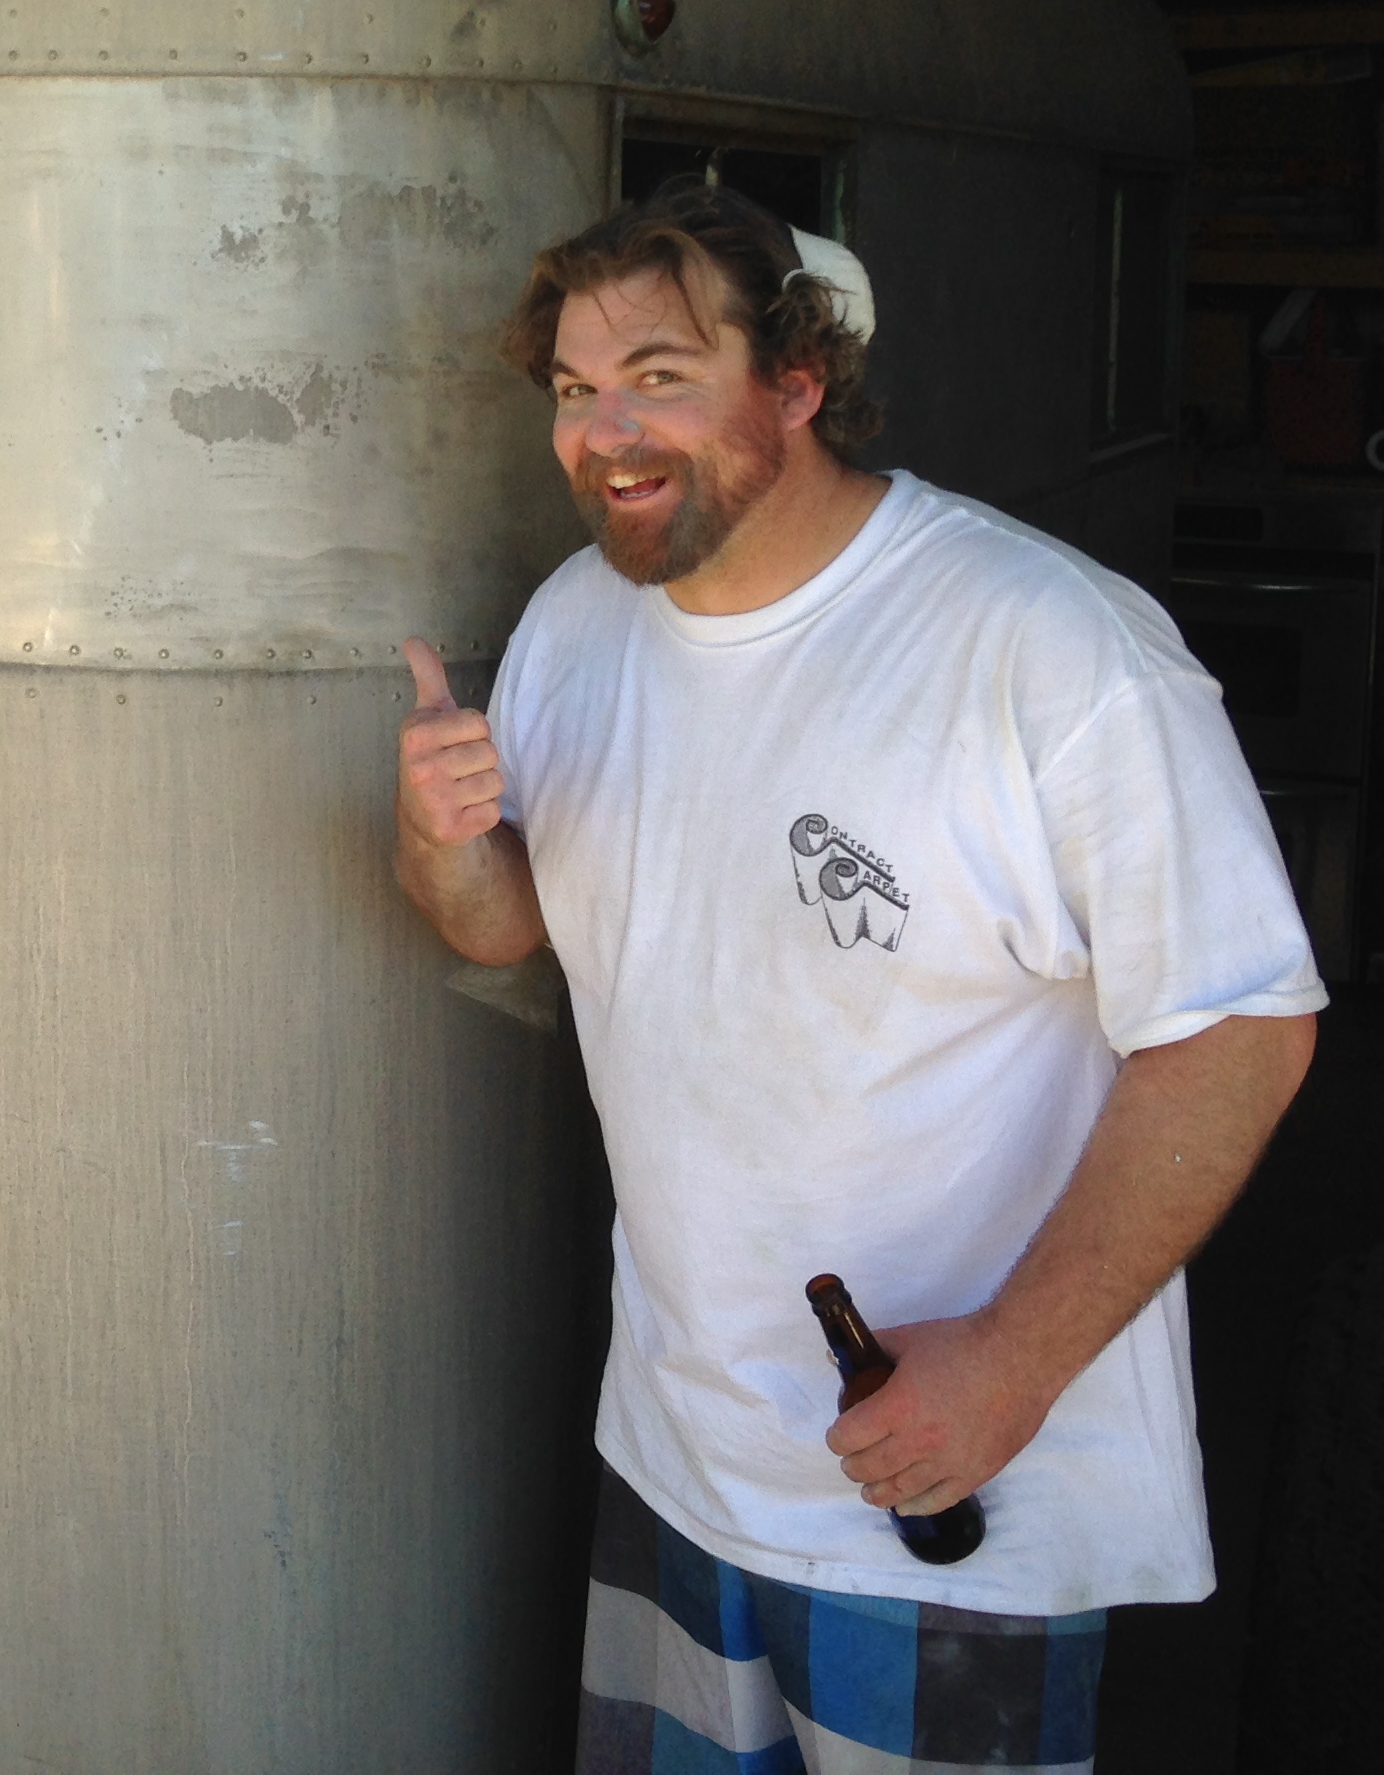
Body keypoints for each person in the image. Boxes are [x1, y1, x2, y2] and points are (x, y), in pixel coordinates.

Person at [394, 180, 1321, 1774]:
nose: (604, 429)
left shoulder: (1048, 648)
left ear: (798, 383)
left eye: (664, 375)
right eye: (572, 387)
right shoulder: (576, 628)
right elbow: (512, 923)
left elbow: (1242, 1029)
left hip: (951, 1486)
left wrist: (1016, 1361)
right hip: (682, 1457)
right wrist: (443, 846)